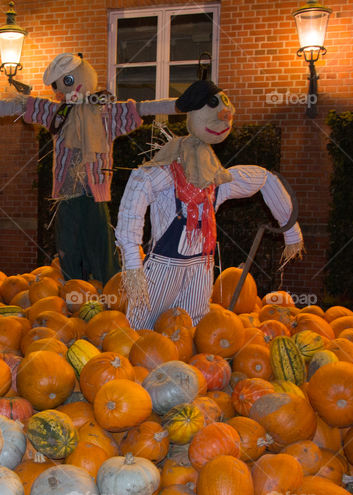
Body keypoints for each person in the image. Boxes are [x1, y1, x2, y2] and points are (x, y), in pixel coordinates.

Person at [0, 53, 176, 282]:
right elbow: (13, 106)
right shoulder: (57, 112)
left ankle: (109, 289)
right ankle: (74, 289)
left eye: (66, 82)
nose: (61, 91)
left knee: (100, 245)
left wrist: (185, 105)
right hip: (66, 195)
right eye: (57, 86)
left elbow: (145, 108)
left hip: (94, 193)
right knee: (68, 245)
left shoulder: (106, 112)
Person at [115, 79, 304, 330]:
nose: (225, 115)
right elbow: (139, 184)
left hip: (202, 267)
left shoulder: (217, 181)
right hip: (165, 266)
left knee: (194, 328)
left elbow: (263, 178)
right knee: (144, 328)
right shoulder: (170, 171)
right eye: (214, 106)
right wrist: (131, 262)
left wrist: (291, 231)